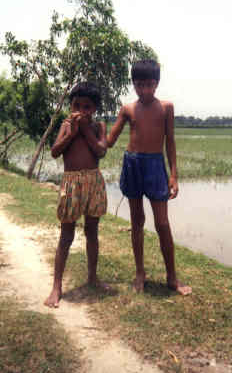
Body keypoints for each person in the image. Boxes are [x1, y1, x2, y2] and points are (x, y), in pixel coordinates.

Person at [107, 60, 191, 295]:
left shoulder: (166, 108)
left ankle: (172, 277)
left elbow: (170, 141)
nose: (144, 90)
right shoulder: (128, 109)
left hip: (155, 166)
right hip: (132, 164)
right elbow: (110, 140)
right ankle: (139, 273)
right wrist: (89, 131)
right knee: (137, 221)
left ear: (157, 83)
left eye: (149, 85)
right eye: (139, 84)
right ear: (133, 84)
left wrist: (173, 175)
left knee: (162, 224)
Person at [44, 82, 108, 308]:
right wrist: (71, 134)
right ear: (71, 106)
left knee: (92, 231)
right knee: (66, 236)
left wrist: (85, 131)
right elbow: (54, 152)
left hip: (93, 181)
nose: (81, 111)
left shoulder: (99, 127)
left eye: (87, 107)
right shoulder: (66, 125)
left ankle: (92, 277)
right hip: (71, 184)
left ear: (95, 109)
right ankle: (56, 287)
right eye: (76, 105)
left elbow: (101, 151)